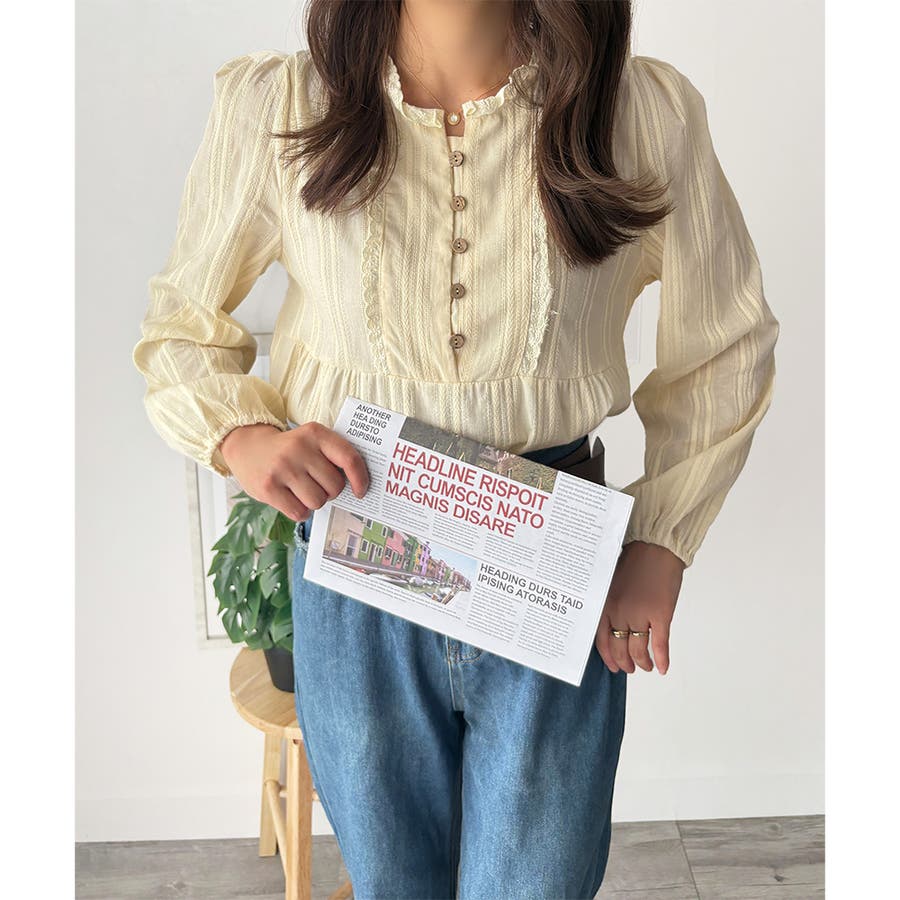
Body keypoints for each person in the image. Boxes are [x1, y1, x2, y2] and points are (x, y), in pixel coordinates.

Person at [132, 1, 779, 897]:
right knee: (393, 883)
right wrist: (240, 436)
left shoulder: (636, 114)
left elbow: (726, 344)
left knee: (540, 883)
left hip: (550, 556)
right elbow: (181, 328)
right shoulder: (282, 109)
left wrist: (662, 538)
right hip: (359, 549)